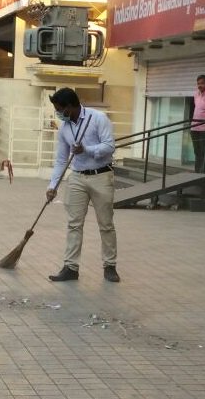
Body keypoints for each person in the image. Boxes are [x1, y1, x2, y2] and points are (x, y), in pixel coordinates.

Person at [46, 87, 119, 283]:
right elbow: (61, 160)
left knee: (106, 224)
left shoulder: (98, 118)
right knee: (74, 224)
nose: (58, 113)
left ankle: (110, 266)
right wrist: (52, 186)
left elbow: (109, 146)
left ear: (70, 106)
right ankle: (70, 267)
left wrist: (86, 149)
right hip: (77, 177)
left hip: (101, 175)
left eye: (60, 109)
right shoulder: (64, 128)